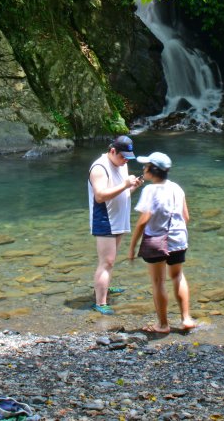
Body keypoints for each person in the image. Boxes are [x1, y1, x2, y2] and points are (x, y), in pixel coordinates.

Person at [127, 151, 196, 334]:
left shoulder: (150, 190)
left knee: (158, 281)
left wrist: (132, 246)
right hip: (179, 239)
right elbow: (186, 217)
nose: (143, 169)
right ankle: (186, 318)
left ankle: (163, 325)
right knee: (178, 276)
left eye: (145, 166)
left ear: (152, 170)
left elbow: (143, 221)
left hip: (156, 241)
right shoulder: (177, 188)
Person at [88, 135, 141, 315]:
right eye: (122, 156)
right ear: (112, 151)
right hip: (105, 219)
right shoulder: (99, 167)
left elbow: (120, 192)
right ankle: (100, 303)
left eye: (128, 157)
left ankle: (105, 287)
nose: (125, 160)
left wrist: (133, 186)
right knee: (107, 261)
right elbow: (100, 196)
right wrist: (126, 184)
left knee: (111, 260)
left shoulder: (122, 164)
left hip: (119, 218)